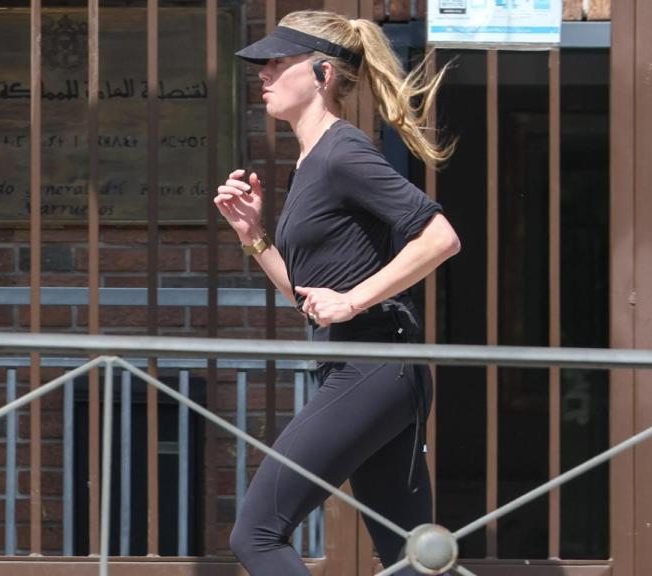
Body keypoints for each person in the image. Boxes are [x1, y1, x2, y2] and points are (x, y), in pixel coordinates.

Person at [214, 9, 461, 575]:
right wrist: (254, 237)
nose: (263, 73)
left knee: (257, 535)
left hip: (372, 364)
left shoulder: (342, 153)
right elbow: (308, 298)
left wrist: (354, 300)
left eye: (279, 61)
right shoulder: (311, 163)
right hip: (369, 367)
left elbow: (440, 238)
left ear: (322, 73)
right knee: (411, 561)